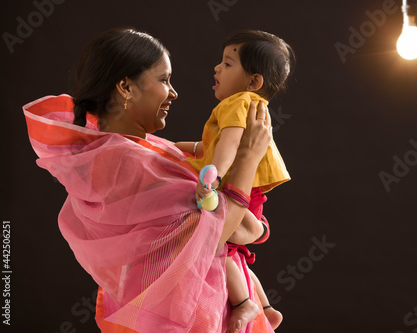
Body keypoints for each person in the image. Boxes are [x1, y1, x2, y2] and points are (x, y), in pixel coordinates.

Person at [23, 28, 275, 333]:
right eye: (164, 80)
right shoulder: (124, 161)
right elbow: (222, 232)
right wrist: (248, 157)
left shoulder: (134, 149)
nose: (173, 92)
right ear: (126, 88)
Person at [175, 30, 294, 332]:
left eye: (228, 64)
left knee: (221, 248)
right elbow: (215, 144)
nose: (217, 68)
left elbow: (227, 145)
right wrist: (183, 148)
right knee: (236, 252)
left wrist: (212, 175)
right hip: (250, 190)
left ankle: (244, 304)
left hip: (237, 187)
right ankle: (265, 306)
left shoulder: (238, 102)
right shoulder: (250, 105)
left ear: (254, 81)